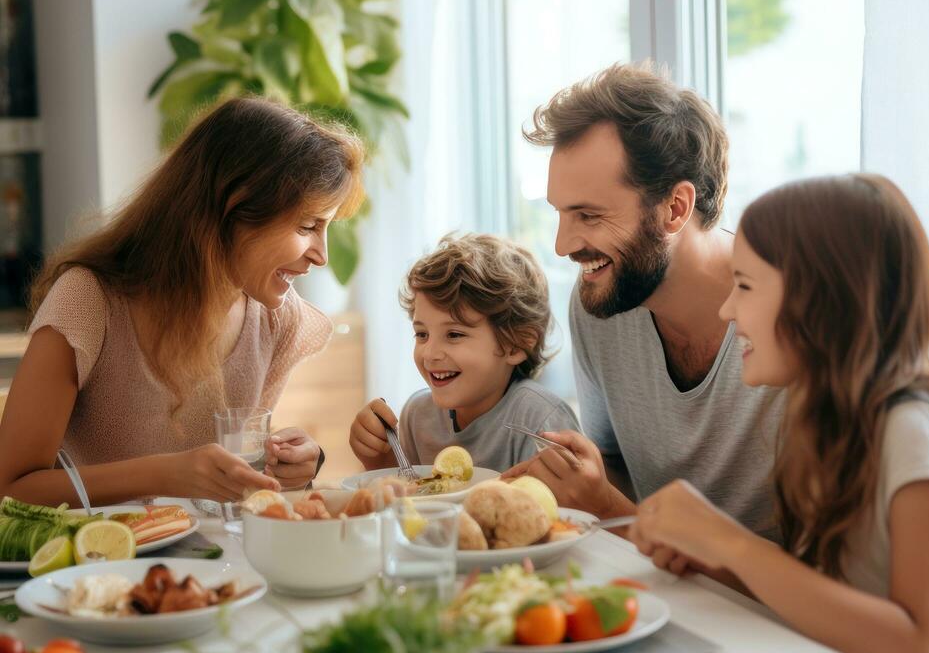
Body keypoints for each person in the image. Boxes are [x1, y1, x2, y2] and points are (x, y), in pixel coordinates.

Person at [629, 175, 929, 653]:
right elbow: (833, 613)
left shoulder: (916, 430)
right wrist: (714, 561)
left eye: (745, 287)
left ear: (821, 300)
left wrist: (727, 540)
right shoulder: (824, 427)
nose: (727, 311)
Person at [0, 97, 363, 507]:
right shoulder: (88, 301)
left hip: (205, 563)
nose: (322, 254)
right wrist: (165, 474)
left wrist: (288, 469)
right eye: (308, 225)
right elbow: (11, 488)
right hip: (92, 566)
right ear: (234, 207)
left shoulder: (277, 319)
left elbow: (234, 488)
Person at [507, 63, 783, 546]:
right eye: (560, 214)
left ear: (675, 208)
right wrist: (581, 484)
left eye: (588, 215)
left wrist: (607, 506)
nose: (563, 245)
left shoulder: (788, 319)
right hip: (659, 593)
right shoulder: (601, 300)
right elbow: (613, 465)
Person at [349, 233, 580, 474]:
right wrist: (379, 459)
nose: (430, 354)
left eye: (454, 335)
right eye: (422, 334)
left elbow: (564, 507)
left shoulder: (540, 420)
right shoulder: (417, 416)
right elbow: (408, 497)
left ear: (517, 344)